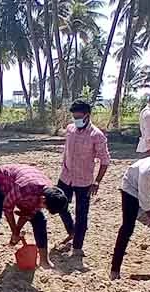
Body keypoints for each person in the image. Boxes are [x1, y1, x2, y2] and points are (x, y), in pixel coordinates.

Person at [0, 164, 68, 284]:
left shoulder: (48, 192)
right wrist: (14, 231)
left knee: (40, 220)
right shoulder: (23, 188)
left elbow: (28, 213)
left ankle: (44, 261)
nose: (44, 208)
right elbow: (7, 208)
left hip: (23, 186)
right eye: (46, 207)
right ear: (43, 199)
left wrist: (17, 232)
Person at [57, 100, 111, 257]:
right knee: (59, 205)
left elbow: (105, 160)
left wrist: (97, 181)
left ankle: (78, 246)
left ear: (87, 116)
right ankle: (72, 231)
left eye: (79, 116)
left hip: (84, 181)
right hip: (66, 176)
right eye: (74, 116)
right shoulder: (70, 129)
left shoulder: (97, 136)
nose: (76, 120)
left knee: (82, 214)